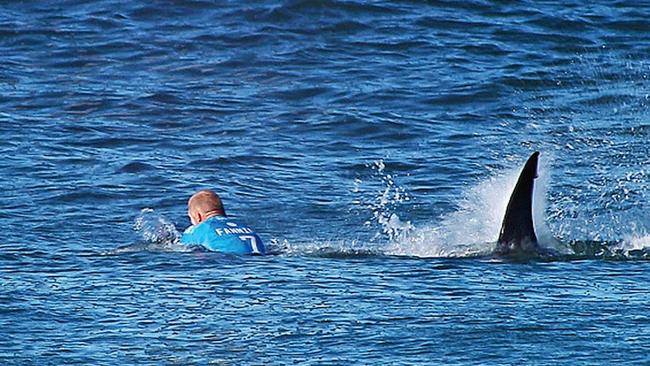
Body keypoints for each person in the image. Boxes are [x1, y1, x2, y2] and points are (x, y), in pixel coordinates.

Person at [179, 190, 265, 255]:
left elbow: (181, 248)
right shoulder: (243, 226)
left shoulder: (201, 228)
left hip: (230, 261)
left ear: (198, 216)